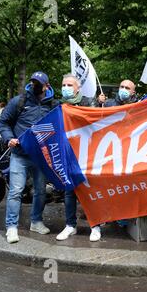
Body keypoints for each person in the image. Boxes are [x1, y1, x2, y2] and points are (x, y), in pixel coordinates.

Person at [0, 71, 55, 244]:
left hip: (40, 157)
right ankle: (11, 227)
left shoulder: (53, 104)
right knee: (15, 192)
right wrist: (9, 138)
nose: (34, 85)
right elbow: (4, 122)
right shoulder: (19, 101)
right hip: (20, 155)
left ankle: (36, 222)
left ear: (46, 86)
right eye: (33, 82)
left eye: (38, 83)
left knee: (40, 191)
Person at [54, 74, 103, 242]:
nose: (66, 87)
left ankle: (95, 226)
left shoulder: (89, 102)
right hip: (67, 154)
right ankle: (70, 225)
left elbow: (96, 123)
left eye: (69, 84)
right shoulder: (58, 105)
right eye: (64, 84)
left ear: (77, 88)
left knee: (90, 191)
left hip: (87, 154)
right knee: (69, 193)